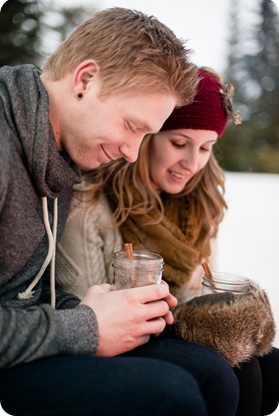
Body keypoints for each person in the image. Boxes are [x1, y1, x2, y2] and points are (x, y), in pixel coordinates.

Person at [0, 6, 228, 416]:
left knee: (216, 375)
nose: (131, 152)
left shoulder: (62, 153)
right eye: (131, 126)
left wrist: (94, 309)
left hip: (38, 338)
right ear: (85, 80)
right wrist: (85, 325)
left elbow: (25, 294)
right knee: (171, 393)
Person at [56, 67, 279, 416]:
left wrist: (223, 315)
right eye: (179, 143)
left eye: (206, 148)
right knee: (232, 371)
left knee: (270, 364)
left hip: (170, 327)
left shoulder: (198, 205)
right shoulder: (91, 206)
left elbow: (193, 295)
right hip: (115, 340)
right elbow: (87, 319)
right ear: (148, 136)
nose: (192, 163)